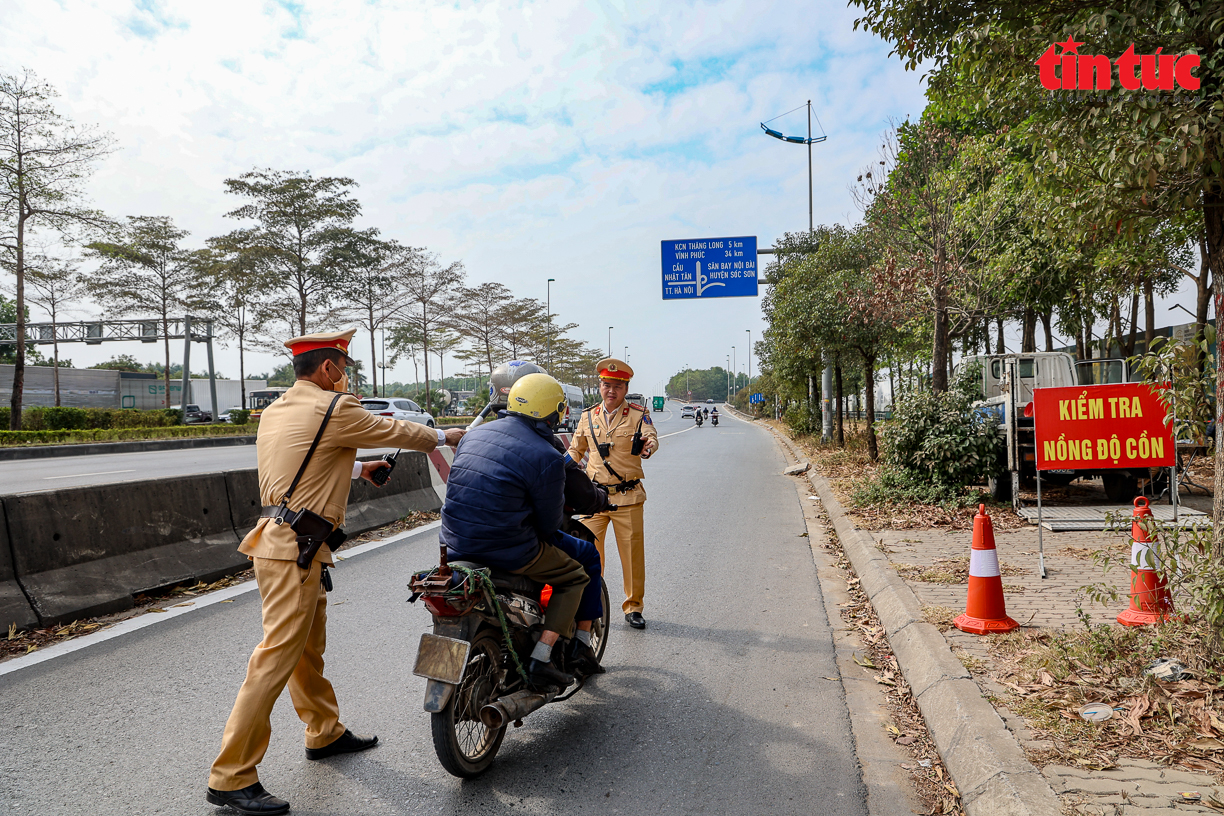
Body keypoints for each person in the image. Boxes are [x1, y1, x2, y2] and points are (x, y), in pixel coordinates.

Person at [207, 329, 464, 816]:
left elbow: (298, 463)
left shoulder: (279, 410)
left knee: (307, 648)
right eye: (343, 368)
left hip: (283, 542)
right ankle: (230, 775)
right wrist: (443, 435)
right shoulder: (335, 407)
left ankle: (323, 731)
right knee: (275, 657)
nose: (346, 377)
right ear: (328, 369)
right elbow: (396, 430)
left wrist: (358, 469)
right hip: (296, 549)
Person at [440, 373, 606, 686]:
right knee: (575, 576)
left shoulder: (471, 437)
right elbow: (548, 526)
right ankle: (541, 658)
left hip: (454, 544)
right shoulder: (547, 455)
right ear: (551, 412)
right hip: (509, 549)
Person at [567, 358, 658, 629]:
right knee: (587, 553)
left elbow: (651, 438)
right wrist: (558, 466)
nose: (611, 391)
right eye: (606, 385)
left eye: (617, 386)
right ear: (600, 386)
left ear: (626, 388)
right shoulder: (587, 416)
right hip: (593, 498)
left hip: (627, 497)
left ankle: (633, 607)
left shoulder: (638, 415)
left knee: (632, 555)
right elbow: (576, 450)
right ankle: (590, 606)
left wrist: (647, 447)